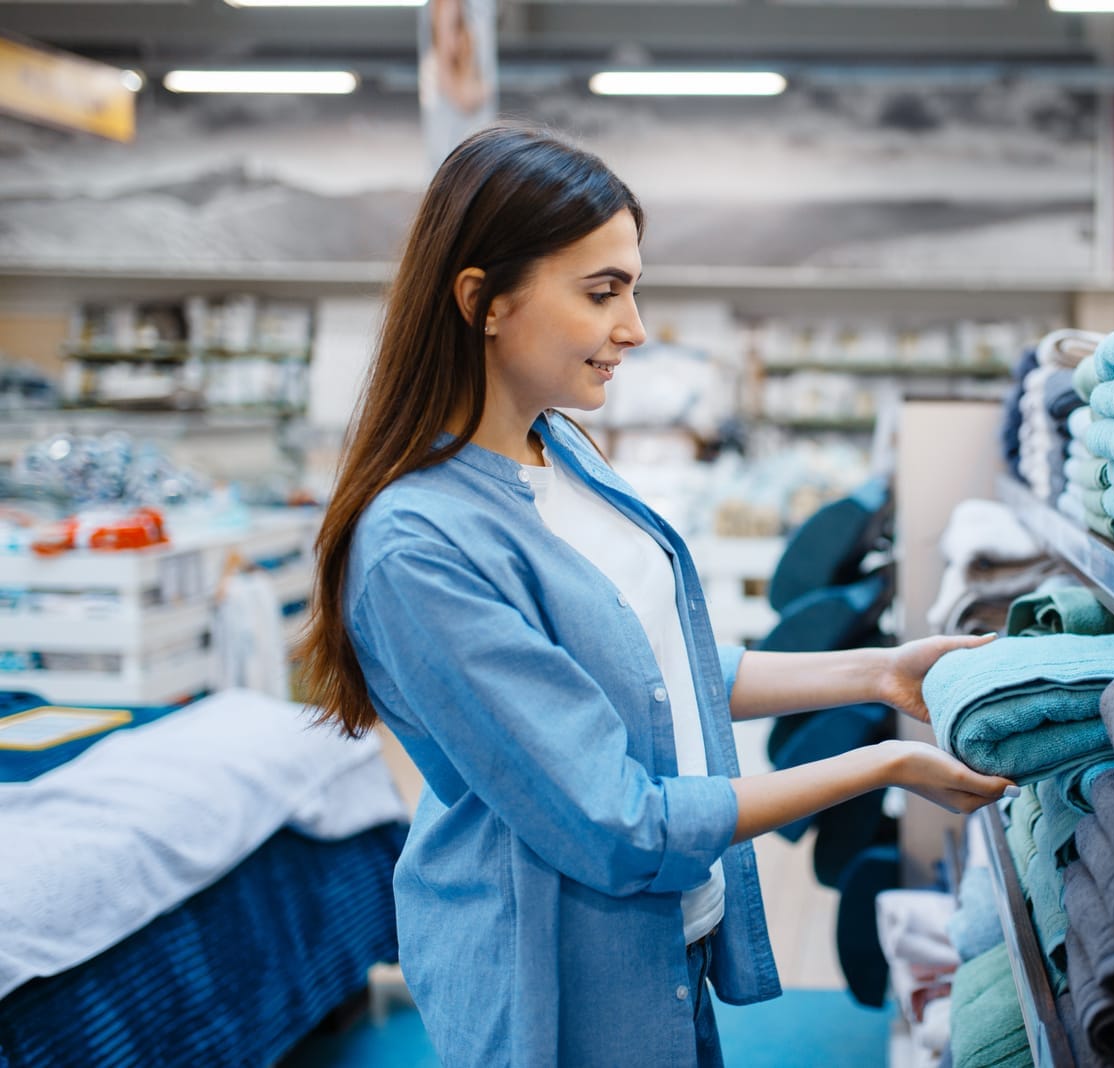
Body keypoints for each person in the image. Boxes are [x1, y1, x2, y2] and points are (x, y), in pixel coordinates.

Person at [297, 124, 1014, 1068]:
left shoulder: (570, 454)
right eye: (603, 292)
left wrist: (881, 677)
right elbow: (615, 821)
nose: (634, 328)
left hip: (665, 945)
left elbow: (653, 671)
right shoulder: (417, 548)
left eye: (633, 288)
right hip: (554, 982)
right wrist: (882, 769)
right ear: (483, 301)